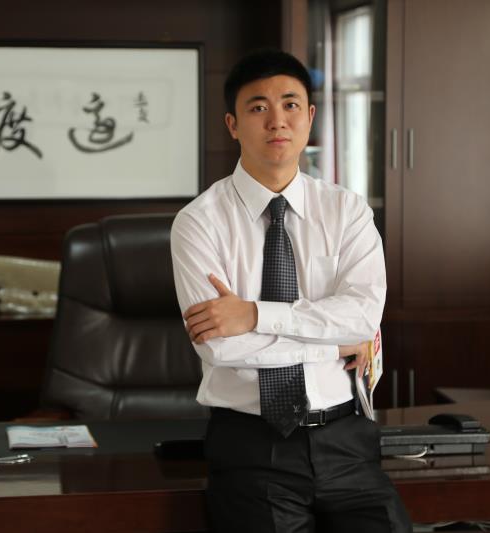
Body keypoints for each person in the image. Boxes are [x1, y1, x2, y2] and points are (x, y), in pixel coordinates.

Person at [170, 49, 412, 533]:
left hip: (347, 440)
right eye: (258, 107)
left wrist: (255, 315)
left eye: (290, 104)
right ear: (232, 124)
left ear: (310, 117)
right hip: (251, 448)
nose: (277, 120)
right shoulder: (198, 223)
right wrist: (333, 343)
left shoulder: (347, 212)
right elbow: (221, 348)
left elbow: (363, 318)